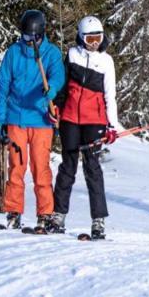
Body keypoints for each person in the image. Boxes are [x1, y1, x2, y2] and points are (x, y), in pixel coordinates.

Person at [49, 15, 123, 240]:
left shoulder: (106, 61)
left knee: (92, 168)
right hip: (71, 119)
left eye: (98, 38)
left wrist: (112, 125)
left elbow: (110, 95)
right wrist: (56, 109)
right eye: (90, 38)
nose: (94, 43)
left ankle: (98, 221)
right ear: (81, 37)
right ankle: (58, 215)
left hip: (94, 121)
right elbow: (62, 87)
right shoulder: (71, 55)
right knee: (67, 167)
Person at [0, 9, 65, 232]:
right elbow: (3, 86)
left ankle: (44, 214)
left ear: (41, 34)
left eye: (33, 38)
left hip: (41, 120)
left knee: (40, 168)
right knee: (16, 167)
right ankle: (13, 212)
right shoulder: (13, 53)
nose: (29, 42)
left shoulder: (51, 54)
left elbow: (58, 76)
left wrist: (51, 89)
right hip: (16, 119)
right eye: (26, 37)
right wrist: (1, 120)